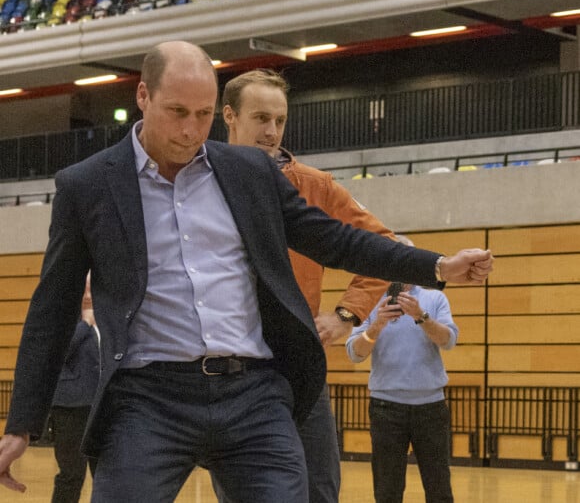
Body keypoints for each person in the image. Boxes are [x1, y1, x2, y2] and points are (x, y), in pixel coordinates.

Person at [0, 41, 492, 502]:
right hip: (147, 400)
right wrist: (20, 425)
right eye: (177, 112)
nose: (191, 130)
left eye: (204, 114)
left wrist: (437, 266)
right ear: (143, 96)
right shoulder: (86, 186)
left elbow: (336, 239)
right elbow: (53, 307)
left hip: (253, 393)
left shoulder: (249, 172)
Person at [222, 68, 398, 503]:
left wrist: (346, 315)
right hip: (228, 370)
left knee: (319, 490)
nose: (271, 131)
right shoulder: (201, 184)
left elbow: (381, 245)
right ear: (229, 115)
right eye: (261, 118)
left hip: (299, 368)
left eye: (279, 121)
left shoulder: (314, 186)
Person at [346, 235, 458, 503]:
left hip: (431, 407)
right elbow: (354, 353)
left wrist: (421, 316)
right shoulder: (371, 302)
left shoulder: (434, 299)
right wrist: (376, 327)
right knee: (387, 490)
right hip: (386, 408)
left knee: (439, 487)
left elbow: (448, 341)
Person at [50, 275, 100, 503]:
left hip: (103, 407)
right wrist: (86, 323)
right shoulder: (62, 316)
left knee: (107, 476)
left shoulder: (108, 318)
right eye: (84, 285)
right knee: (71, 474)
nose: (88, 290)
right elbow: (58, 351)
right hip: (72, 407)